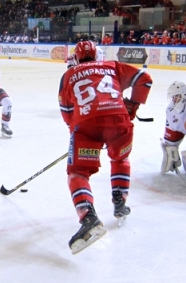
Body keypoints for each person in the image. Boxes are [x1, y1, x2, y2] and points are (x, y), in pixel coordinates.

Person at [58, 40, 153, 254]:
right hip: (119, 122)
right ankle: (120, 201)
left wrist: (78, 136)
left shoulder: (69, 74)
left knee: (77, 172)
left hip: (86, 127)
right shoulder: (112, 66)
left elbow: (66, 110)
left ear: (77, 57)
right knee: (120, 159)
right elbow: (144, 80)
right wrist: (132, 105)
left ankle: (88, 216)